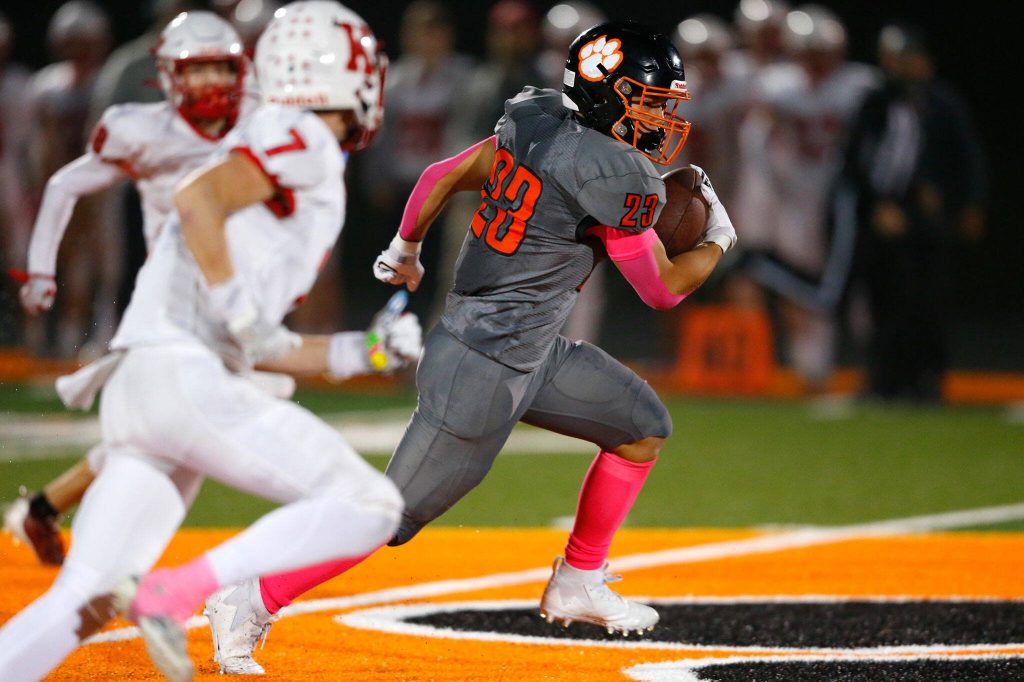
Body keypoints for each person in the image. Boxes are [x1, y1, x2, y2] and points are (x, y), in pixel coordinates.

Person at [203, 20, 737, 675]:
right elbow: (662, 288)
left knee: (641, 426)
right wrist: (718, 238)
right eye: (650, 103)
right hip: (482, 364)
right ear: (608, 94)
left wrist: (405, 246)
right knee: (388, 515)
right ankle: (250, 597)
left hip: (529, 350)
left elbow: (443, 172)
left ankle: (578, 579)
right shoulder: (609, 169)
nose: (661, 121)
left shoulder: (540, 121)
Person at [0, 4, 415, 682]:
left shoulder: (280, 140)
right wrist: (239, 312)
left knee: (83, 599)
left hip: (148, 382)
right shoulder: (304, 135)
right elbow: (197, 201)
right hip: (183, 376)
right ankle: (178, 592)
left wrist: (368, 351)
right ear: (344, 72)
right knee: (372, 505)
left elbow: (263, 345)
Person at [4, 9, 257, 567]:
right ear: (167, 76)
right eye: (196, 69)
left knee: (162, 433)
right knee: (197, 429)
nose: (211, 82)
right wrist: (41, 270)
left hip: (227, 293)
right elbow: (64, 184)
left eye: (220, 68)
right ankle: (114, 567)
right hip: (172, 301)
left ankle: (49, 512)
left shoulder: (259, 120)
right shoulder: (144, 130)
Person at [841, 24, 987, 402]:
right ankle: (884, 381)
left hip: (928, 220)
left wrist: (967, 202)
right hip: (884, 215)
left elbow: (965, 155)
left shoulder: (941, 103)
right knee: (882, 301)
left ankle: (928, 380)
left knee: (928, 301)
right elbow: (856, 158)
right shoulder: (876, 102)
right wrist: (877, 203)